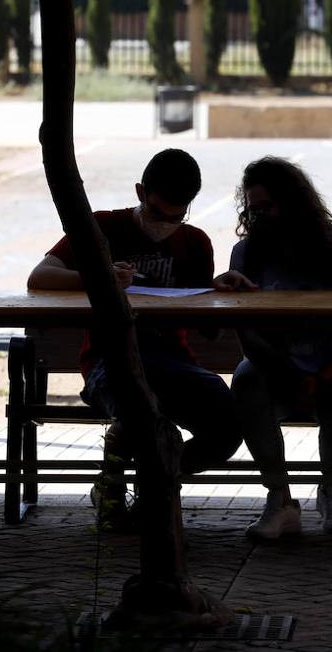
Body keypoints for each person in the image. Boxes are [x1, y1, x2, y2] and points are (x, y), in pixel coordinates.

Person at [26, 148, 240, 529]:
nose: (167, 224)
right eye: (159, 213)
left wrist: (219, 290)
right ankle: (131, 485)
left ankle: (155, 483)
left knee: (228, 427)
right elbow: (40, 277)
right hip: (110, 361)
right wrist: (98, 276)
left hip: (176, 362)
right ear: (141, 193)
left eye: (178, 216)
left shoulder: (194, 243)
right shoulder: (102, 228)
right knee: (144, 414)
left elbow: (206, 321)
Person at [214, 157, 332, 539]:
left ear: (294, 202)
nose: (261, 218)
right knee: (246, 382)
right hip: (273, 364)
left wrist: (320, 376)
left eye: (268, 207)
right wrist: (285, 369)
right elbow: (247, 337)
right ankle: (279, 497)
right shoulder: (247, 254)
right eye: (254, 210)